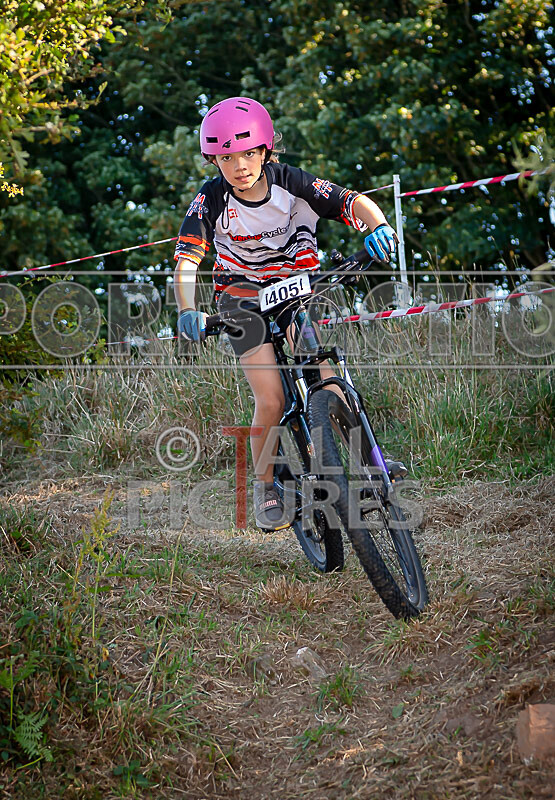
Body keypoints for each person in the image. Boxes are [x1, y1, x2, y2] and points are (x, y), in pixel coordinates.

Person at [173, 96, 398, 531]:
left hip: (295, 288)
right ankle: (265, 485)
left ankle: (371, 459)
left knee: (330, 376)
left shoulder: (290, 181)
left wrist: (378, 226)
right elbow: (187, 262)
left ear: (265, 151)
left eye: (248, 152)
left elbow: (354, 202)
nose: (239, 165)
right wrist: (187, 309)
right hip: (240, 299)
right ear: (214, 161)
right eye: (227, 157)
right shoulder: (210, 200)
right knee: (272, 397)